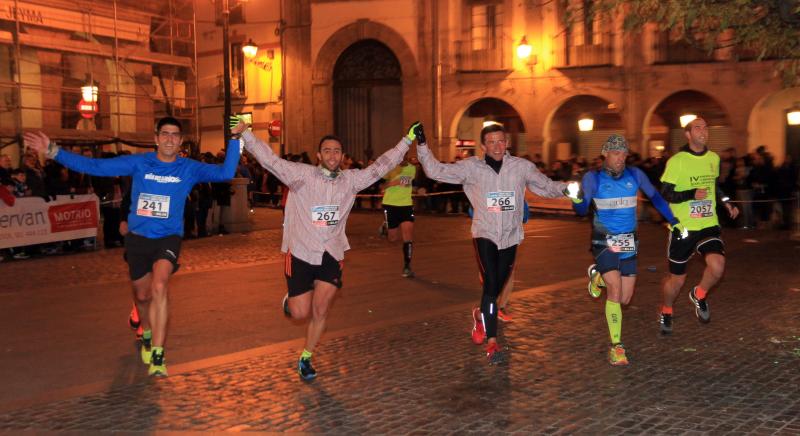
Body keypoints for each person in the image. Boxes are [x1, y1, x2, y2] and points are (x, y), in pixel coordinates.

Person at [23, 116, 241, 376]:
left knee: (160, 285)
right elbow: (96, 166)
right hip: (138, 239)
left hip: (168, 238)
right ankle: (146, 331)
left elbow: (225, 172)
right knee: (142, 295)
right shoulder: (140, 162)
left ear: (181, 141)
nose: (170, 138)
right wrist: (54, 151)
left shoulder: (188, 168)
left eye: (175, 135)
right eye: (165, 134)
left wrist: (237, 139)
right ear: (156, 138)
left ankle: (158, 354)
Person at [236, 119, 415, 381]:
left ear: (343, 157)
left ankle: (307, 356)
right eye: (327, 151)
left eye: (337, 151)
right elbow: (270, 161)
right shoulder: (301, 176)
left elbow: (382, 166)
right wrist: (247, 134)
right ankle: (291, 301)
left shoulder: (351, 180)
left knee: (321, 310)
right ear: (319, 155)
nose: (332, 155)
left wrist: (407, 140)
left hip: (332, 253)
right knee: (300, 313)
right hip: (301, 252)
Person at [416, 122, 577, 364]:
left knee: (495, 288)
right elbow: (436, 171)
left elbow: (545, 186)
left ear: (507, 143)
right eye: (491, 142)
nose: (497, 146)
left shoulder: (521, 167)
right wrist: (422, 145)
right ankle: (492, 342)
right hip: (485, 233)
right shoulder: (471, 168)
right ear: (483, 146)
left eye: (501, 141)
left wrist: (567, 189)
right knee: (491, 283)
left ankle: (480, 314)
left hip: (511, 236)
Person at [572, 134, 685, 366]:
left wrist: (673, 220)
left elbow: (655, 197)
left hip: (629, 241)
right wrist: (576, 199)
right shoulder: (593, 178)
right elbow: (582, 211)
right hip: (604, 240)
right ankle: (617, 346)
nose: (620, 158)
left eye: (624, 153)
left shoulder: (635, 175)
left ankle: (598, 277)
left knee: (624, 298)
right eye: (616, 153)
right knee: (615, 290)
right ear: (605, 153)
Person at [658, 117, 739, 335]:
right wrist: (691, 194)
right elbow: (665, 193)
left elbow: (715, 186)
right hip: (683, 228)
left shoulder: (713, 158)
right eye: (698, 128)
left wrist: (726, 203)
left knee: (718, 266)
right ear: (688, 134)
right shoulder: (677, 161)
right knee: (676, 281)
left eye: (705, 127)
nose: (703, 131)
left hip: (708, 223)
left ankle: (699, 294)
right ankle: (666, 309)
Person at [380, 153, 417, 278]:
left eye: (404, 156)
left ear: (407, 156)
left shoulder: (411, 168)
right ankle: (385, 226)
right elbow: (381, 185)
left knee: (408, 237)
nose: (402, 159)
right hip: (390, 205)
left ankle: (407, 266)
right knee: (392, 238)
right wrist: (388, 183)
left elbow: (405, 182)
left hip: (406, 205)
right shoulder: (389, 168)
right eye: (399, 156)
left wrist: (391, 183)